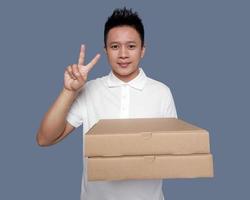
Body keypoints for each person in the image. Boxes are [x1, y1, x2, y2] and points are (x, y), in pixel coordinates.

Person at [36, 7, 177, 200]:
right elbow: (45, 138)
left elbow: (172, 153)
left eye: (131, 46)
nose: (123, 54)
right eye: (115, 46)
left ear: (143, 50)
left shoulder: (162, 93)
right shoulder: (90, 89)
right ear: (105, 50)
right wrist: (69, 91)